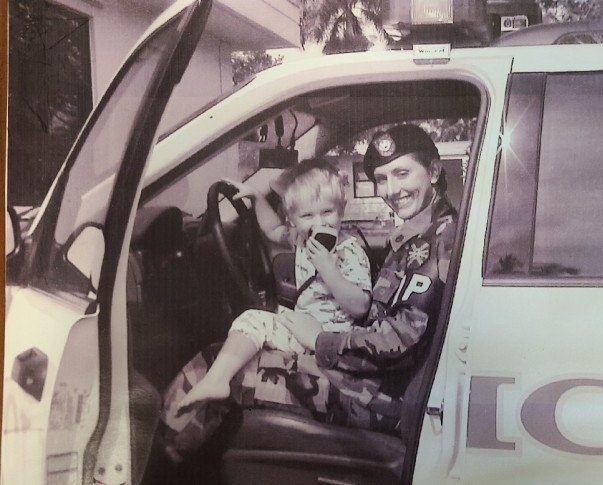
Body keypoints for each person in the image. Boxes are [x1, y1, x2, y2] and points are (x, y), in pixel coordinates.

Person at [158, 124, 457, 462]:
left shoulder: (438, 242)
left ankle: (163, 465)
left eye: (402, 173)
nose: (392, 189)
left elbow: (399, 341)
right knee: (228, 352)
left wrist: (319, 340)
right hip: (368, 371)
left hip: (383, 394)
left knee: (213, 365)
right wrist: (257, 198)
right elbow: (275, 231)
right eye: (383, 178)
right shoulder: (420, 233)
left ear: (433, 171)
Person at [173, 158, 372, 413]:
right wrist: (257, 198)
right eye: (308, 215)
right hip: (306, 326)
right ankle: (219, 377)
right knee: (262, 324)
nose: (319, 223)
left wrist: (329, 270)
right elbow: (272, 229)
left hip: (330, 339)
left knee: (251, 320)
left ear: (342, 210)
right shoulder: (301, 239)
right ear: (293, 219)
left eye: (327, 212)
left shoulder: (349, 251)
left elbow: (360, 306)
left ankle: (217, 380)